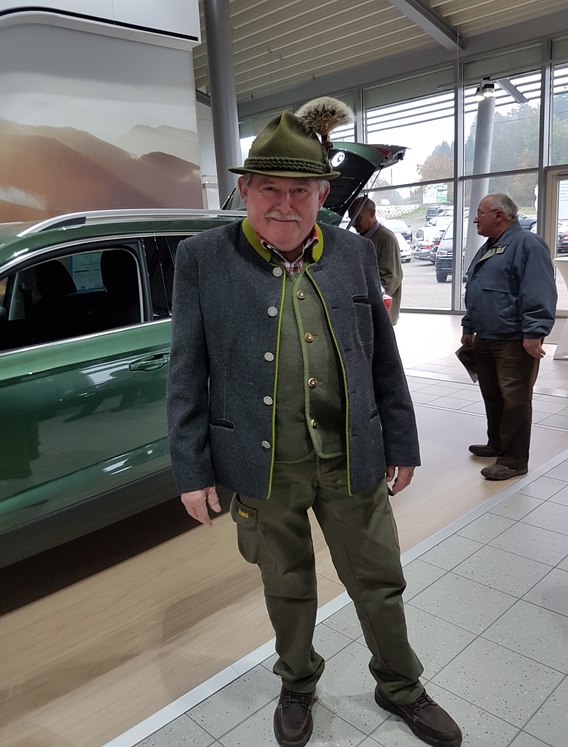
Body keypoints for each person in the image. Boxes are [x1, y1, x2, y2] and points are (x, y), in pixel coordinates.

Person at [167, 96, 462, 747]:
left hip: (352, 457)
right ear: (245, 191)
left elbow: (382, 358)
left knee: (379, 580)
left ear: (322, 193)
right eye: (269, 189)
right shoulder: (202, 258)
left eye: (299, 190)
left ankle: (401, 686)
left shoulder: (353, 252)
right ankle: (297, 682)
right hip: (263, 466)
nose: (284, 204)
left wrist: (402, 441)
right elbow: (186, 371)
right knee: (287, 584)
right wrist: (192, 471)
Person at [461, 193, 557, 481]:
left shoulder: (528, 244)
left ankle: (514, 461)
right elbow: (477, 289)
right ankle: (497, 444)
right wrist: (468, 327)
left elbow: (538, 290)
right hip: (486, 336)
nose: (476, 219)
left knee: (515, 400)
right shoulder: (490, 247)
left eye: (480, 213)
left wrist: (534, 332)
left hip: (514, 340)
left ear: (499, 215)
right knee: (492, 395)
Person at [349, 196, 403, 324]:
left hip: (380, 313)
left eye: (357, 218)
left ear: (372, 213)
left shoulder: (386, 238)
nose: (354, 223)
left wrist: (370, 301)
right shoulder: (362, 239)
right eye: (352, 219)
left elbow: (392, 277)